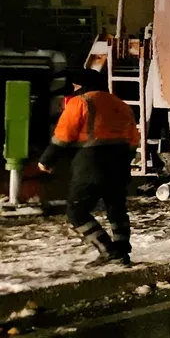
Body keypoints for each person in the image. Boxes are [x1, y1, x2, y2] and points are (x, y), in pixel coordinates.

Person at [37, 68, 139, 266]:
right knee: (116, 207)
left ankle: (107, 250)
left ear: (81, 85)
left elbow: (64, 135)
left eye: (75, 85)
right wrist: (126, 159)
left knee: (77, 211)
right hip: (119, 161)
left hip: (92, 162)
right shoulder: (121, 104)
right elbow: (134, 138)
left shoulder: (81, 102)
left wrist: (47, 159)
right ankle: (122, 250)